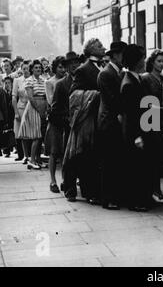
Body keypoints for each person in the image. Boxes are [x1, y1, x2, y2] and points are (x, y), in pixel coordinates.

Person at [62, 39, 105, 204]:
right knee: (80, 155)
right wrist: (95, 95)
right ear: (92, 50)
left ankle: (91, 191)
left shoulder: (101, 66)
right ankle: (80, 190)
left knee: (90, 156)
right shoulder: (84, 69)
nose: (103, 48)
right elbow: (74, 95)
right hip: (86, 119)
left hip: (98, 118)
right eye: (100, 46)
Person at [120, 44, 152, 212]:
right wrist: (137, 136)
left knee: (139, 166)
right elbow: (131, 113)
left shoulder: (134, 79)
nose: (145, 60)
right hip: (134, 132)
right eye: (142, 58)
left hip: (138, 130)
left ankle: (140, 199)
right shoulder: (129, 83)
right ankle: (135, 201)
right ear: (137, 61)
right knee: (134, 167)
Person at [97, 42, 128, 210]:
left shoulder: (117, 73)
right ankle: (107, 198)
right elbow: (112, 100)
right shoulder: (106, 74)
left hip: (114, 121)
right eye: (123, 54)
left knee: (115, 161)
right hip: (109, 122)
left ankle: (115, 196)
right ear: (116, 55)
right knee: (109, 162)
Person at [141, 49, 163, 204]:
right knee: (151, 158)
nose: (162, 64)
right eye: (159, 61)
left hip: (162, 122)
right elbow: (145, 102)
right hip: (150, 122)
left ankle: (157, 189)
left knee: (159, 158)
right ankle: (153, 190)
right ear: (152, 62)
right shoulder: (146, 78)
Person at [53, 52, 80, 195]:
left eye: (76, 63)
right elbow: (55, 109)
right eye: (71, 64)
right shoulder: (61, 85)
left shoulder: (85, 80)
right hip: (69, 127)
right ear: (67, 67)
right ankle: (69, 188)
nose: (75, 66)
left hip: (83, 125)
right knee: (68, 158)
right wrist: (67, 120)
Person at [18, 60, 48, 170]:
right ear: (32, 69)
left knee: (40, 136)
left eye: (40, 67)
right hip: (34, 108)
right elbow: (30, 97)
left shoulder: (43, 80)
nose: (38, 69)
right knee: (36, 135)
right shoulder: (29, 80)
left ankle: (38, 159)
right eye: (36, 68)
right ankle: (32, 160)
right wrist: (39, 110)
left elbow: (45, 96)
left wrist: (44, 109)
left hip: (42, 107)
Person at [44, 56, 67, 194]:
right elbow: (51, 100)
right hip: (55, 119)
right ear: (55, 68)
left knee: (65, 151)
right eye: (60, 67)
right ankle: (53, 180)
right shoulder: (50, 82)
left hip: (65, 118)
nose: (63, 70)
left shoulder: (68, 81)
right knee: (54, 151)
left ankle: (65, 179)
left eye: (64, 67)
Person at [12, 61, 32, 164]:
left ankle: (32, 155)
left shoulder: (33, 79)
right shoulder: (17, 80)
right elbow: (14, 97)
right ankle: (25, 155)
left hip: (31, 108)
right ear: (21, 69)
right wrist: (16, 112)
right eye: (24, 68)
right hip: (21, 107)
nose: (26, 71)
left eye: (27, 68)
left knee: (32, 132)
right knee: (22, 133)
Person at [2, 77, 15, 158]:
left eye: (9, 83)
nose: (7, 85)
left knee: (13, 131)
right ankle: (6, 150)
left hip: (12, 113)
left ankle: (13, 147)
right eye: (5, 83)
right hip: (5, 114)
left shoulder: (13, 93)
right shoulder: (2, 92)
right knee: (6, 132)